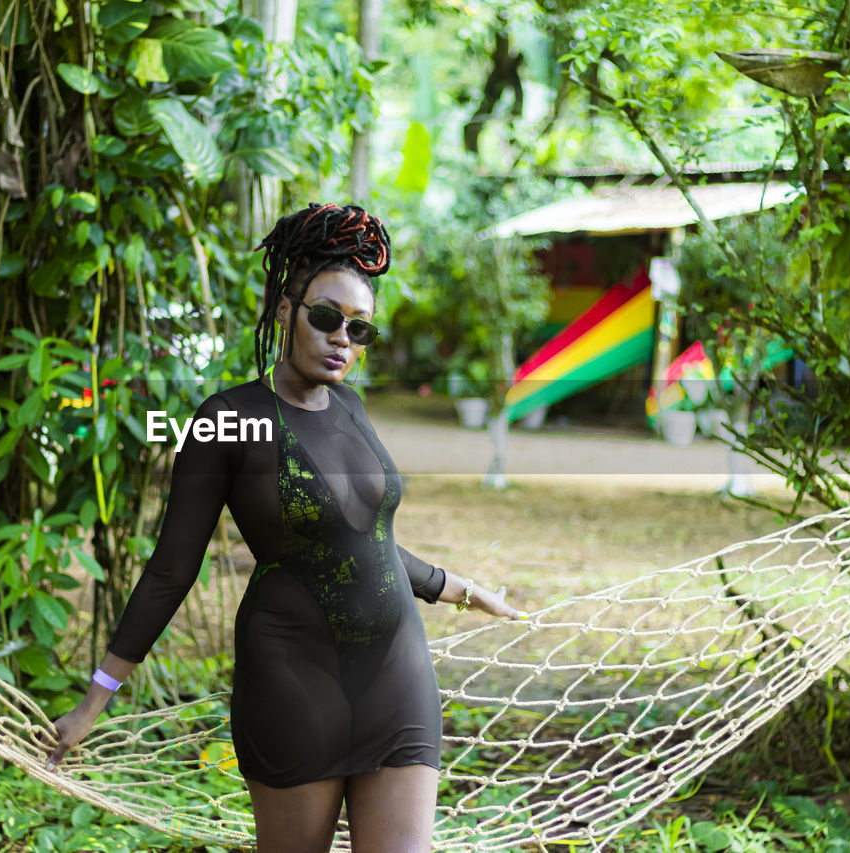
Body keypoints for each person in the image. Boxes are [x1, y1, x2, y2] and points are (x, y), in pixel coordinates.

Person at [45, 202, 521, 853]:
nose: (342, 341)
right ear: (283, 306)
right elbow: (169, 570)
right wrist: (95, 699)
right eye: (327, 318)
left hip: (397, 677)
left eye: (361, 331)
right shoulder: (228, 419)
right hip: (295, 682)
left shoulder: (352, 408)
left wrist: (457, 587)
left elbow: (363, 542)